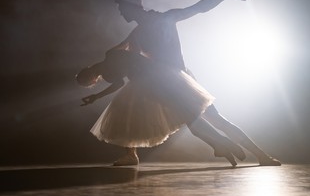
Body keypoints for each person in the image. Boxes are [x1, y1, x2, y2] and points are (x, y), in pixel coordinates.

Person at [111, 0, 281, 166]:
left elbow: (199, 7)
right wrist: (100, 68)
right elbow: (122, 54)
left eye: (122, 7)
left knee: (210, 121)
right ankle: (131, 154)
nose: (120, 12)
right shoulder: (137, 34)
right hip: (162, 84)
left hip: (179, 81)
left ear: (133, 6)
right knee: (133, 107)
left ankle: (258, 154)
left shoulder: (164, 19)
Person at [77, 48, 246, 166]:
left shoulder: (108, 65)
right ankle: (220, 145)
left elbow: (120, 78)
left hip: (152, 79)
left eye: (89, 81)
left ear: (91, 78)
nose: (92, 81)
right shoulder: (109, 61)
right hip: (153, 76)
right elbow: (121, 71)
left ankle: (222, 144)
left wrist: (97, 96)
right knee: (185, 117)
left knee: (186, 116)